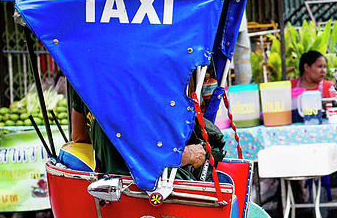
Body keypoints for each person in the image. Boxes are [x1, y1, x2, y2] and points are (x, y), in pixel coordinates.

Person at [69, 76, 225, 180]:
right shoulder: (146, 82)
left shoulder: (83, 77)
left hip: (109, 181)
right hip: (153, 186)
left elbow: (79, 137)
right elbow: (145, 154)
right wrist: (187, 155)